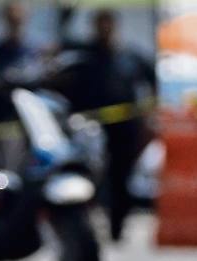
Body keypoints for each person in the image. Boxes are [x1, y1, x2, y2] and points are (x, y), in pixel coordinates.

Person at [64, 10, 155, 242]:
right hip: (90, 126)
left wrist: (149, 113)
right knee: (91, 175)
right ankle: (85, 225)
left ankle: (117, 225)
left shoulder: (128, 55)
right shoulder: (85, 55)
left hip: (124, 127)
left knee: (120, 177)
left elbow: (151, 81)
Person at [0, 2, 37, 124]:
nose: (16, 19)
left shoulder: (35, 50)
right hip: (3, 115)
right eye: (12, 16)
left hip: (31, 116)